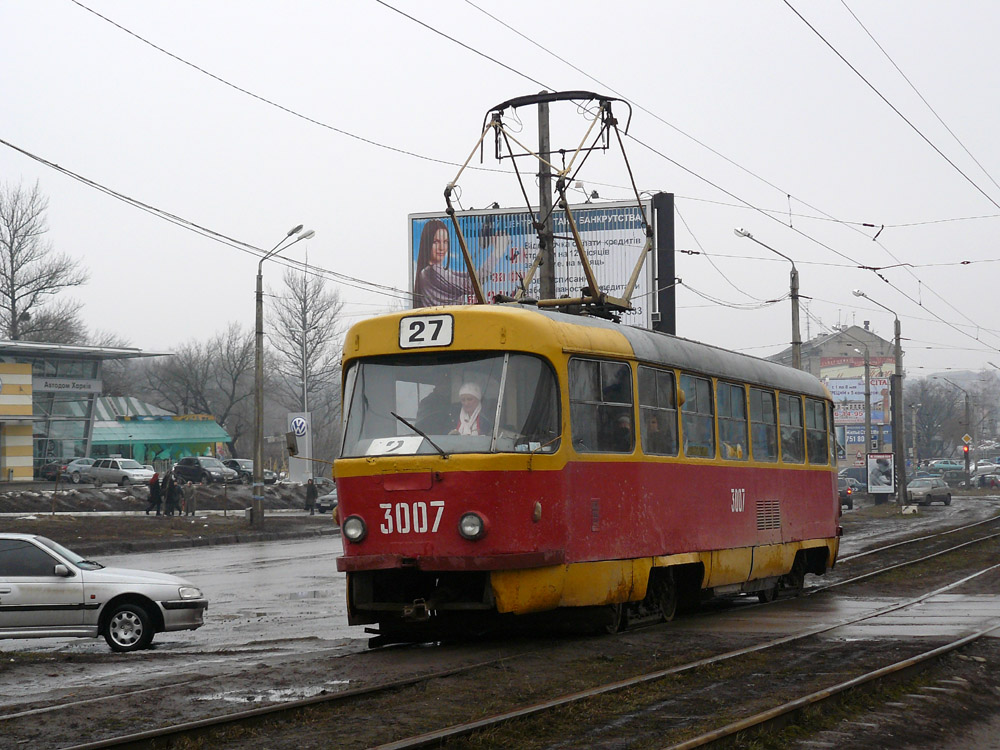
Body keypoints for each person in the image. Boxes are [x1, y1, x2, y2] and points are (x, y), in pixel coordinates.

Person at [412, 219, 508, 307]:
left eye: (445, 242)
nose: (442, 248)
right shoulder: (432, 271)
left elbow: (470, 276)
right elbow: (471, 284)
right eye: (436, 242)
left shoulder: (434, 271)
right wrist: (497, 252)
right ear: (427, 243)